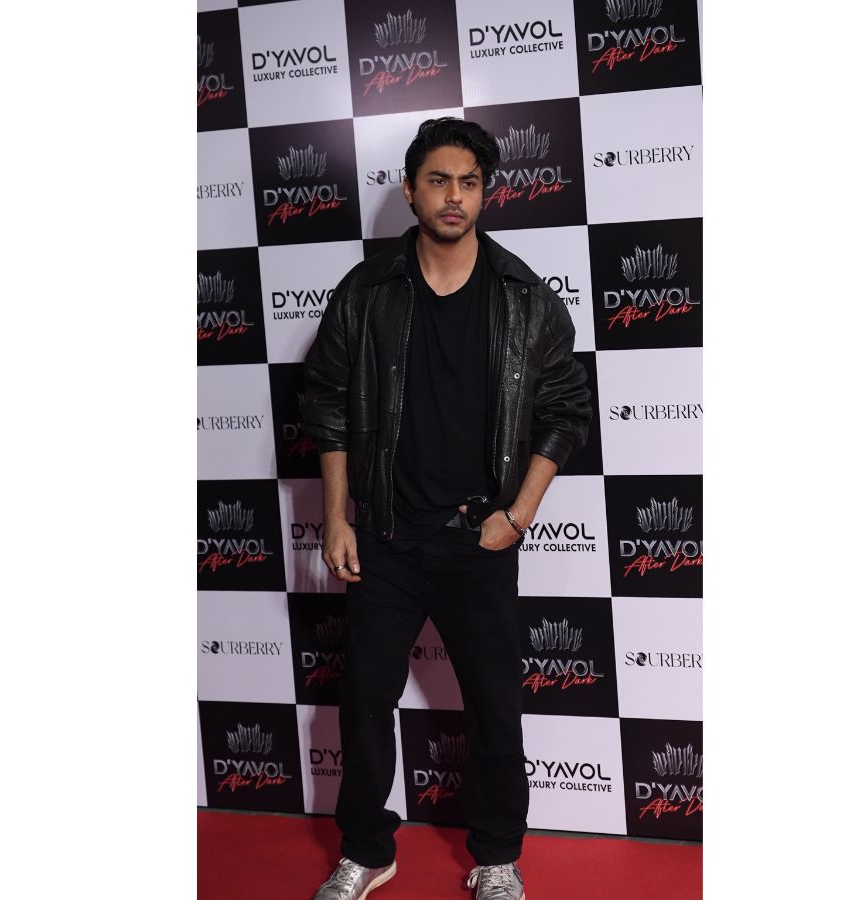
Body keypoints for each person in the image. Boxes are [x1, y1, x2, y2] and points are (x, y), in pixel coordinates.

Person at [302, 117, 591, 900]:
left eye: (468, 182)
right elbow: (327, 405)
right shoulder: (367, 292)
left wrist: (516, 516)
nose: (454, 196)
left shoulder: (525, 298)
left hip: (479, 538)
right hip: (386, 537)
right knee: (364, 703)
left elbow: (567, 412)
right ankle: (367, 851)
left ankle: (497, 856)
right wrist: (338, 516)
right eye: (438, 180)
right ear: (410, 190)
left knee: (495, 710)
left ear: (485, 192)